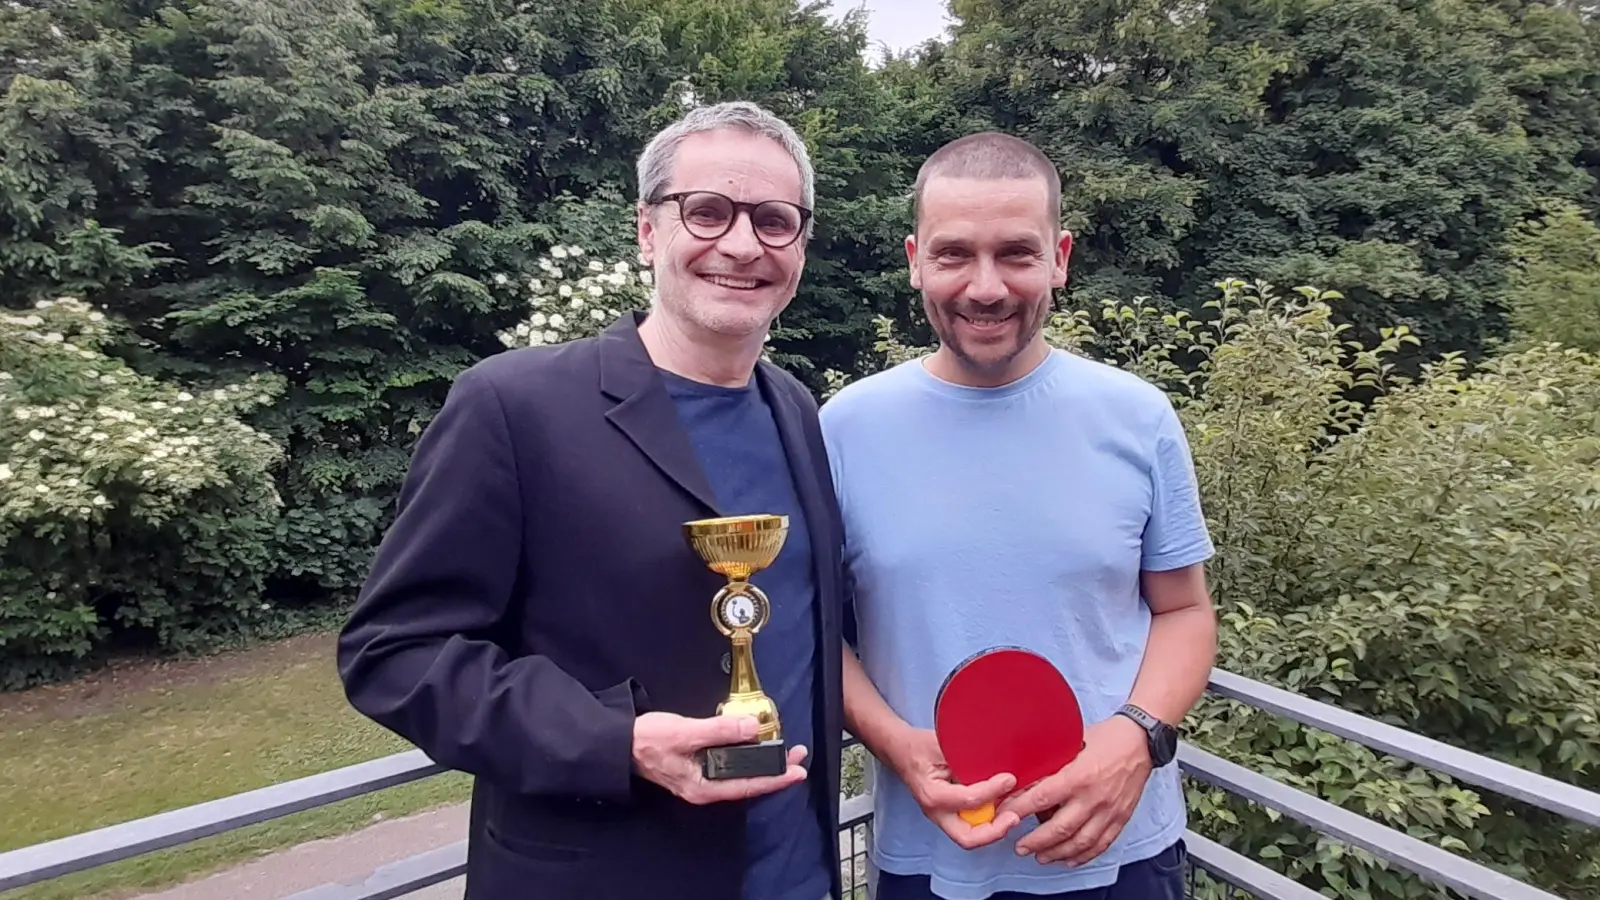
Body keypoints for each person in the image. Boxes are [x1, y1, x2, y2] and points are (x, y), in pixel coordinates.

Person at [337, 101, 846, 900]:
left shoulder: (797, 411)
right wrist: (619, 742)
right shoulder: (515, 406)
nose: (743, 245)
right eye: (706, 211)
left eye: (774, 221)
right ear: (648, 230)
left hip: (801, 878)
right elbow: (394, 654)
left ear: (801, 245)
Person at [818, 131, 1218, 900]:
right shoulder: (846, 428)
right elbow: (817, 634)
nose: (987, 286)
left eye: (1017, 253)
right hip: (926, 856)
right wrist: (896, 744)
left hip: (1123, 852)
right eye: (954, 254)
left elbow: (1185, 612)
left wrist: (1138, 735)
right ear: (914, 260)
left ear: (1060, 257)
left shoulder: (1138, 417)